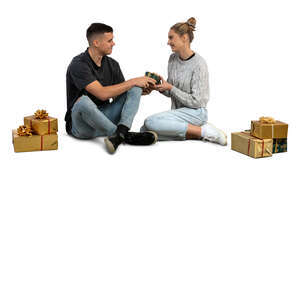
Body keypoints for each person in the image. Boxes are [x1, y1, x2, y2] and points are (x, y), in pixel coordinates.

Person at [65, 23, 158, 154]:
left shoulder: (112, 64)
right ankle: (126, 136)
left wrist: (140, 91)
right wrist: (133, 81)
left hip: (105, 120)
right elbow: (102, 94)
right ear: (96, 43)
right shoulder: (78, 64)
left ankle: (119, 134)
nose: (113, 43)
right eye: (110, 41)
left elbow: (118, 95)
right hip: (82, 126)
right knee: (83, 101)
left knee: (135, 87)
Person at [141, 17, 227, 145]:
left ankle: (204, 131)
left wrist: (171, 88)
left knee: (150, 122)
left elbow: (198, 101)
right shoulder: (172, 59)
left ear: (184, 38)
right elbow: (171, 91)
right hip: (178, 114)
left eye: (171, 38)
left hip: (196, 113)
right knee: (145, 131)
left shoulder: (199, 64)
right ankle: (195, 134)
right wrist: (159, 87)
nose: (168, 42)